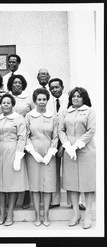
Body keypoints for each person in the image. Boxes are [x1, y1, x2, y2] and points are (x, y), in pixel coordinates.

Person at [58, 87, 96, 229]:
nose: (75, 98)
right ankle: (76, 213)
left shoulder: (89, 111)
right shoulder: (65, 112)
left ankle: (87, 215)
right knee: (72, 183)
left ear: (84, 98)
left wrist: (77, 145)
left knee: (87, 183)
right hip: (69, 151)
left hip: (86, 150)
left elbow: (91, 130)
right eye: (73, 96)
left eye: (79, 96)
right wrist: (68, 146)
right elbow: (61, 130)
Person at [25, 88, 58, 227]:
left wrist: (50, 153)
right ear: (35, 100)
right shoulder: (29, 116)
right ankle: (37, 214)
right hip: (34, 154)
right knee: (36, 185)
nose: (42, 102)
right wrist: (33, 152)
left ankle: (46, 214)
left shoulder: (53, 116)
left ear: (47, 100)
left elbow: (55, 136)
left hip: (49, 154)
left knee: (48, 185)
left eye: (44, 99)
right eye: (39, 99)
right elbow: (25, 135)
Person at [0, 93, 29, 226]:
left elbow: (22, 137)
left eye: (9, 103)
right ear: (1, 105)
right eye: (4, 103)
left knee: (12, 183)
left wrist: (18, 156)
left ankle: (10, 212)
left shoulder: (18, 118)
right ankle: (1, 212)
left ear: (13, 105)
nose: (6, 105)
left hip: (13, 150)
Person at [1, 74, 35, 209]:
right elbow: (0, 116)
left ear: (23, 84)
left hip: (25, 135)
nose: (17, 84)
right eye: (14, 82)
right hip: (9, 137)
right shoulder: (5, 97)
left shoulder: (28, 97)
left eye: (19, 83)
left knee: (25, 165)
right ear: (10, 84)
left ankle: (26, 194)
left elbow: (34, 113)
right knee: (12, 167)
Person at [47, 78, 68, 209]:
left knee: (70, 170)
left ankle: (75, 201)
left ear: (62, 87)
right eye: (52, 88)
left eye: (57, 87)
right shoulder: (47, 102)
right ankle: (55, 200)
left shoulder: (69, 99)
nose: (55, 90)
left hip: (68, 139)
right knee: (53, 171)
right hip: (52, 140)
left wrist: (64, 144)